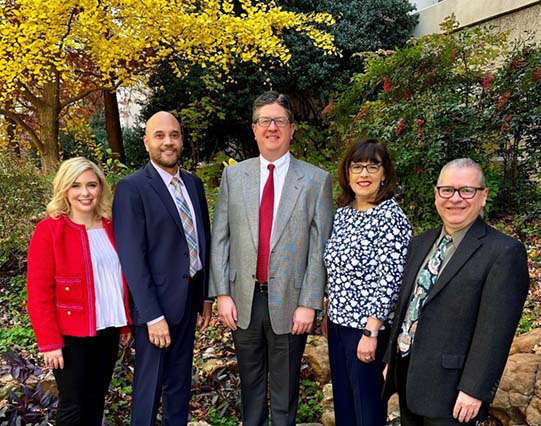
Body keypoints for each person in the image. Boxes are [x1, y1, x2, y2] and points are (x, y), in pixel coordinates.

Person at [209, 91, 334, 426]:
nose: (272, 128)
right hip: (243, 300)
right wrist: (222, 294)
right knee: (249, 388)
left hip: (292, 303)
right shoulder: (235, 178)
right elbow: (220, 238)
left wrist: (310, 302)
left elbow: (320, 247)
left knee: (285, 389)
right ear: (254, 129)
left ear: (292, 129)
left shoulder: (315, 180)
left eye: (280, 121)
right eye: (265, 121)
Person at [383, 158, 530, 426]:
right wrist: (390, 361)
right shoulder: (420, 243)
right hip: (408, 378)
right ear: (436, 194)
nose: (455, 199)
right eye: (447, 190)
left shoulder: (503, 252)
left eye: (466, 190)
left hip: (453, 392)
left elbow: (495, 331)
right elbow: (408, 307)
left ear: (483, 196)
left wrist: (475, 389)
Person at [112, 111, 211, 426]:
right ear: (146, 142)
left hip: (188, 300)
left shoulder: (193, 184)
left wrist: (205, 296)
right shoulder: (132, 188)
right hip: (155, 310)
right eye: (160, 135)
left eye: (174, 135)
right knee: (149, 388)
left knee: (180, 384)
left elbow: (200, 240)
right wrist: (152, 316)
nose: (168, 142)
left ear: (182, 139)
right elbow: (132, 258)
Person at [26, 157, 131, 426]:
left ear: (101, 188)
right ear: (65, 190)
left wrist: (126, 324)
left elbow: (121, 277)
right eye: (76, 186)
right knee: (74, 404)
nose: (85, 193)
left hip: (107, 328)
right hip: (71, 334)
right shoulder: (50, 230)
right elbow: (39, 293)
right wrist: (49, 342)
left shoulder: (112, 226)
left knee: (96, 399)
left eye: (91, 185)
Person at [322, 138, 412, 426]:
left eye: (373, 167)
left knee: (368, 410)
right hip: (337, 326)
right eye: (357, 166)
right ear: (347, 172)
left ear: (384, 173)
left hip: (367, 331)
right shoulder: (343, 215)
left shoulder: (391, 217)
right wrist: (328, 310)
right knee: (345, 407)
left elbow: (391, 280)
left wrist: (371, 332)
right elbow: (334, 268)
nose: (364, 174)